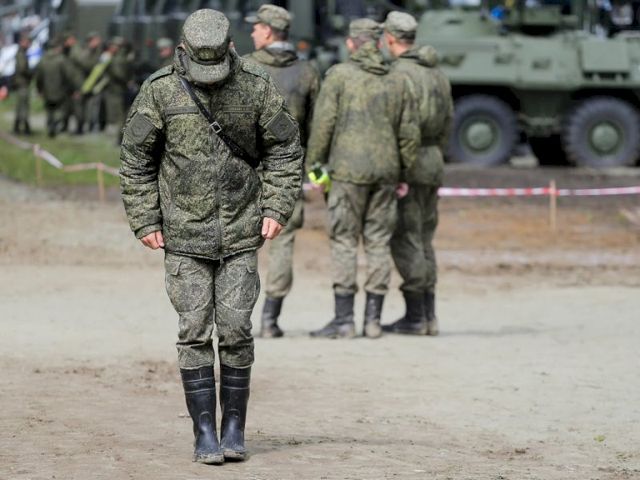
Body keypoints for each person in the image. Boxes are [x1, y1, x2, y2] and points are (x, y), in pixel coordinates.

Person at [120, 9, 302, 464]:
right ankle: (204, 432)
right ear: (182, 51)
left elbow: (284, 149)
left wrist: (276, 206)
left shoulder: (256, 86)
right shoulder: (160, 90)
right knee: (194, 331)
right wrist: (145, 219)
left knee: (237, 329)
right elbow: (136, 159)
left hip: (241, 230)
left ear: (231, 48)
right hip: (183, 235)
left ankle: (233, 427)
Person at [306, 18, 419, 339]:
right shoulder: (399, 80)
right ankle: (373, 320)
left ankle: (344, 320)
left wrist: (315, 171)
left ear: (351, 44)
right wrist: (403, 173)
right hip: (386, 173)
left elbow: (322, 128)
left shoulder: (339, 76)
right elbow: (409, 134)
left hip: (346, 174)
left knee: (344, 241)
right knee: (379, 241)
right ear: (379, 43)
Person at [245, 4, 321, 338]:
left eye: (256, 27)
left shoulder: (244, 68)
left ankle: (239, 315)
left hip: (246, 171)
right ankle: (270, 319)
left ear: (267, 31)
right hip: (289, 172)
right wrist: (314, 169)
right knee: (283, 241)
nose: (252, 31)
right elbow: (316, 127)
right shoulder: (307, 72)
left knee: (241, 244)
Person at [381, 12, 453, 336]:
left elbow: (398, 126)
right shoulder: (438, 74)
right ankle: (429, 315)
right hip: (433, 160)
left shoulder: (398, 74)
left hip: (409, 164)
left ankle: (415, 316)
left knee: (405, 236)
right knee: (425, 237)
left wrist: (399, 168)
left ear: (390, 39)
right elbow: (448, 122)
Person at [35, 40, 70, 138]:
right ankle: (55, 125)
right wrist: (68, 87)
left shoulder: (43, 60)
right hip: (60, 90)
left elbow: (39, 77)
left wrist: (39, 89)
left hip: (46, 91)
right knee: (60, 110)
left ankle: (50, 126)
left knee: (49, 110)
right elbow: (67, 75)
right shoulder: (61, 59)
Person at [12, 34, 32, 135]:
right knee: (23, 106)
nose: (29, 45)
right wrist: (30, 73)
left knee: (20, 106)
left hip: (20, 83)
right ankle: (25, 128)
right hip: (22, 83)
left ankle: (17, 127)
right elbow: (22, 68)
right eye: (27, 42)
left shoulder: (21, 53)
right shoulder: (21, 54)